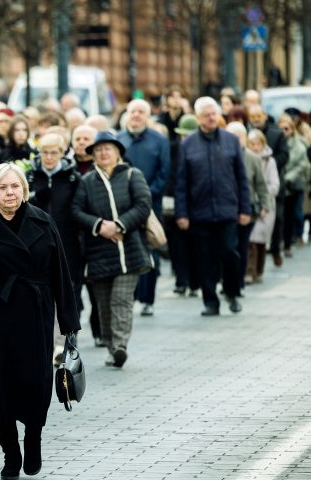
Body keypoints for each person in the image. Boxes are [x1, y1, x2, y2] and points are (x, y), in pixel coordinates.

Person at [0, 163, 79, 480]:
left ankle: (32, 440)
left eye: (15, 187)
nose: (10, 193)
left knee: (35, 385)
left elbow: (61, 272)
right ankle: (10, 452)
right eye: (3, 188)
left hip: (35, 314)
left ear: (24, 189)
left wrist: (68, 321)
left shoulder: (42, 221)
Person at [72, 132, 152, 367]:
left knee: (121, 300)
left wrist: (119, 225)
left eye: (108, 149)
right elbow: (76, 211)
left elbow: (143, 204)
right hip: (98, 253)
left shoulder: (131, 175)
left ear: (118, 152)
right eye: (98, 150)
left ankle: (120, 345)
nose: (103, 153)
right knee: (104, 304)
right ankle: (110, 345)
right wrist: (100, 226)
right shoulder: (86, 181)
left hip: (130, 252)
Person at [176, 98, 252, 316]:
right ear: (199, 118)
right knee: (205, 258)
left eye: (214, 114)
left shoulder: (230, 141)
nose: (211, 118)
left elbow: (241, 178)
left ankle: (232, 291)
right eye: (206, 115)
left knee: (230, 253)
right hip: (200, 212)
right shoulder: (188, 145)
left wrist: (245, 209)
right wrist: (182, 213)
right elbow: (181, 182)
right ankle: (211, 302)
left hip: (228, 210)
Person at [26, 133, 82, 360]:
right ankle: (46, 342)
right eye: (44, 152)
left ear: (62, 152)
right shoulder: (30, 176)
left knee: (66, 291)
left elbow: (78, 209)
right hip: (35, 244)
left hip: (67, 244)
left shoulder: (73, 178)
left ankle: (63, 343)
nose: (48, 157)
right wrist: (35, 197)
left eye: (53, 152)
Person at [117, 99, 170, 317]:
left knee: (150, 250)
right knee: (128, 250)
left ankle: (148, 298)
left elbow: (164, 172)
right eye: (132, 112)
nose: (136, 115)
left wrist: (146, 196)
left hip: (150, 205)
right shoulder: (118, 140)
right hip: (122, 206)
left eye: (141, 112)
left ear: (148, 116)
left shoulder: (159, 140)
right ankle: (131, 296)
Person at [246, 130, 279, 283]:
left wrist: (263, 194)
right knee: (251, 239)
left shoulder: (269, 162)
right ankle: (250, 271)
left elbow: (275, 184)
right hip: (251, 203)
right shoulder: (246, 158)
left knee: (260, 239)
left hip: (266, 204)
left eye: (257, 144)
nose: (254, 147)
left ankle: (259, 269)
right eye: (251, 144)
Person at [277, 114, 310, 257]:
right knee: (280, 215)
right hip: (277, 183)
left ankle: (291, 241)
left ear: (291, 129)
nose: (284, 132)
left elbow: (303, 164)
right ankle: (280, 241)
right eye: (281, 129)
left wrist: (289, 178)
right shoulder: (275, 143)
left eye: (287, 128)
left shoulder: (299, 144)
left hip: (293, 185)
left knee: (293, 213)